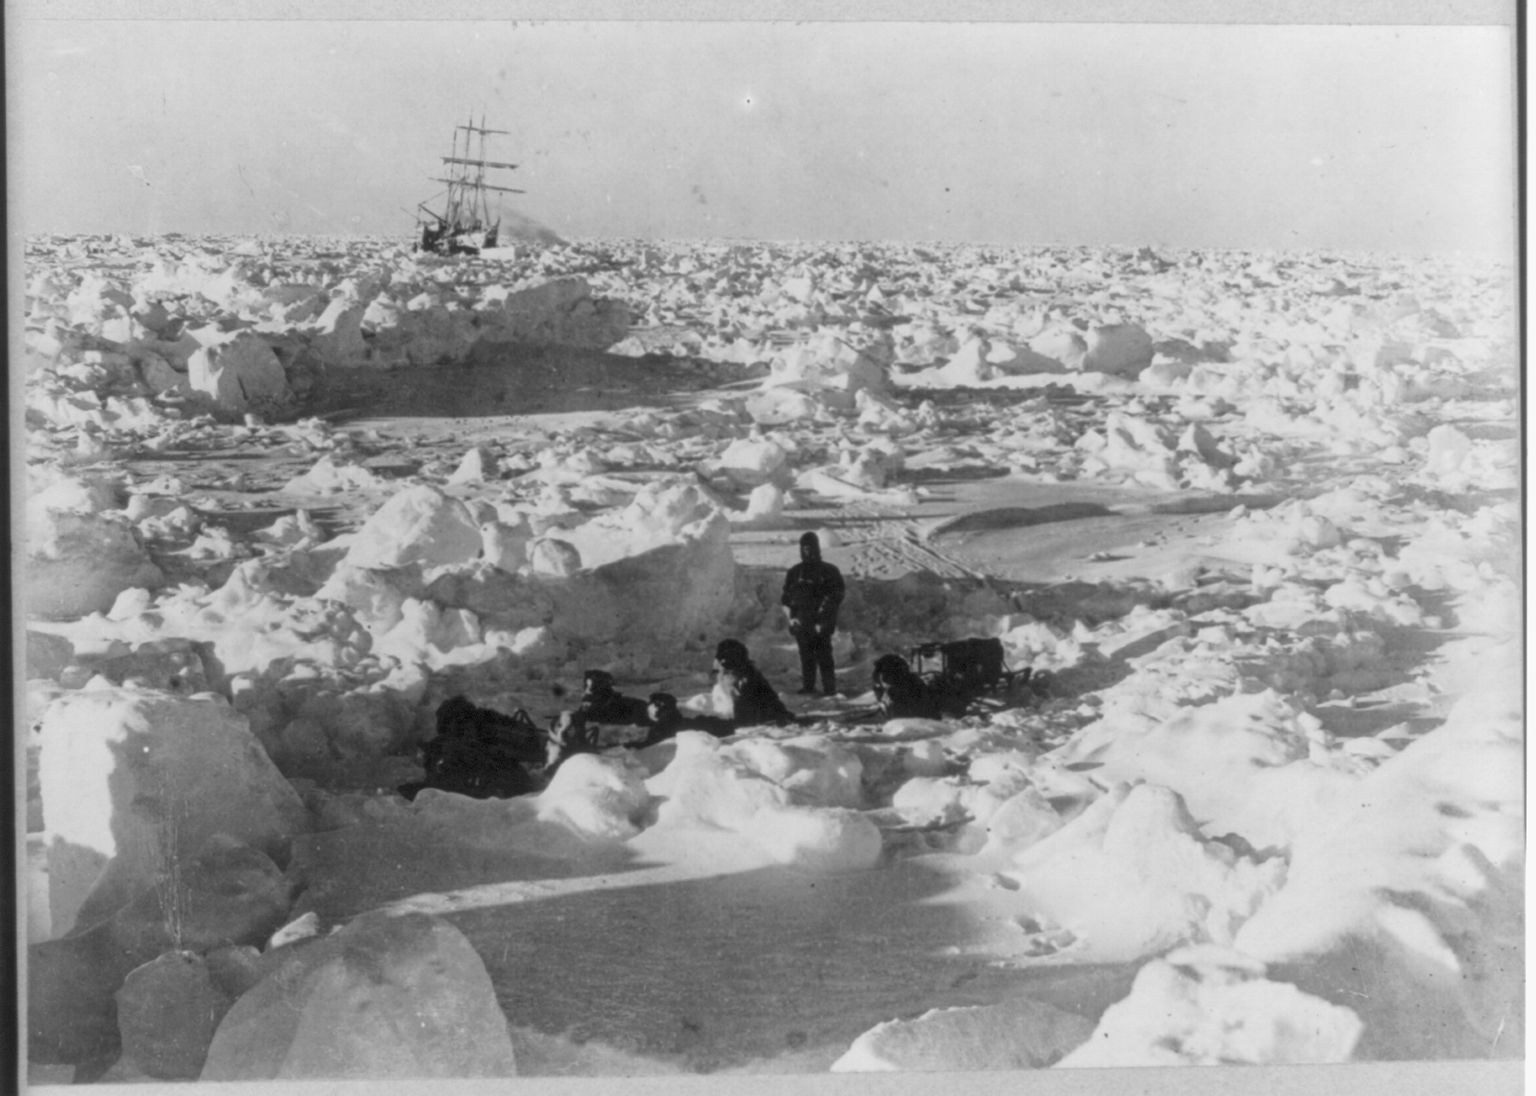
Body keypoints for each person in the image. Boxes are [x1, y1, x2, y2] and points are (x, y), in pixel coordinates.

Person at [781, 531, 846, 696]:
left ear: (817, 548)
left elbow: (835, 596)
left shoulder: (829, 571)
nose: (807, 551)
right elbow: (786, 598)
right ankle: (808, 686)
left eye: (811, 547)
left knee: (824, 655)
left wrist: (824, 618)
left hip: (821, 621)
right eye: (804, 548)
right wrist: (792, 618)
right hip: (802, 622)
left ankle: (829, 689)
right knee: (806, 656)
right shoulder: (794, 573)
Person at [712, 639, 793, 726]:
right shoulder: (732, 675)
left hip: (761, 720)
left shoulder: (748, 680)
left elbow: (745, 710)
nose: (720, 665)